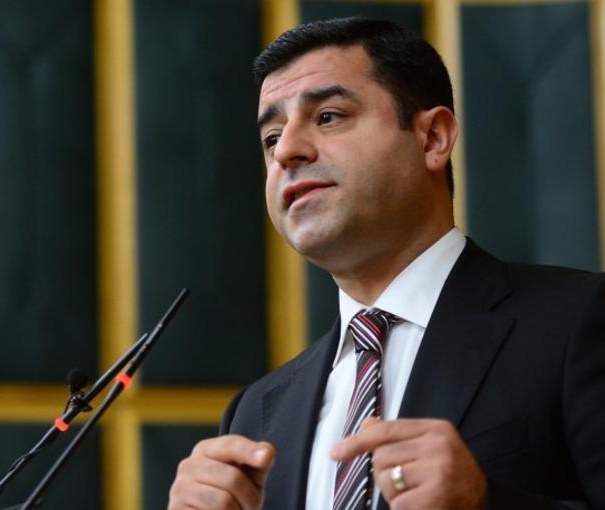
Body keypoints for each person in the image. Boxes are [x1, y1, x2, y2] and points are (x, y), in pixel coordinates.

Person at [168, 17, 605, 510]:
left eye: (328, 116)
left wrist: (486, 502)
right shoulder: (256, 413)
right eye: (271, 138)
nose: (286, 150)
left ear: (432, 137)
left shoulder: (581, 321)